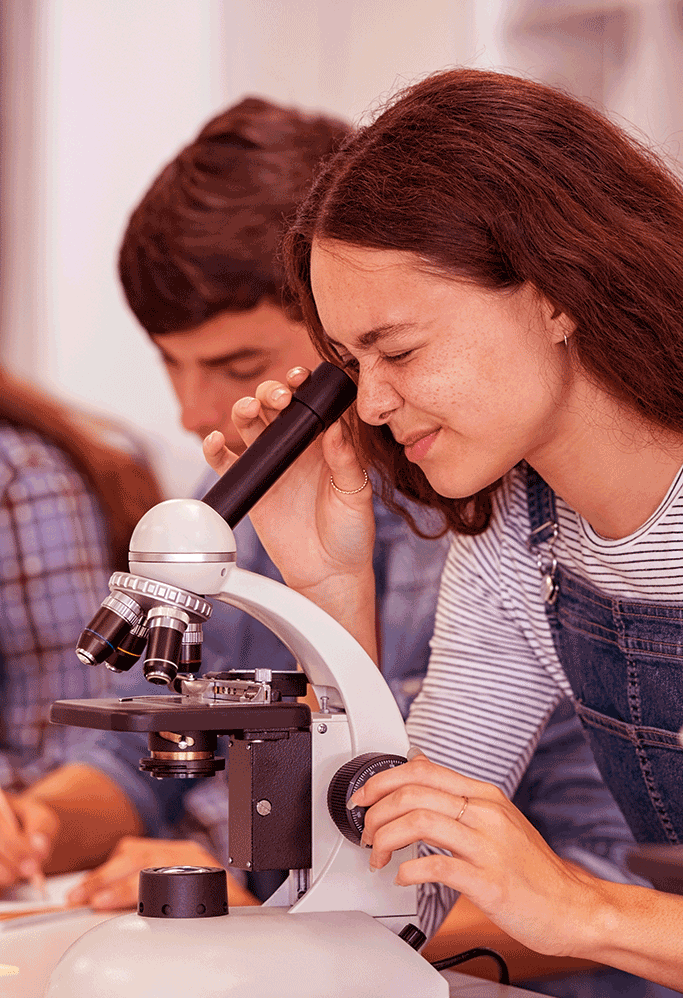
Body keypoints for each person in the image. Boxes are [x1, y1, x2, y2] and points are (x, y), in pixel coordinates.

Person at [66, 96, 668, 996]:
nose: (375, 407)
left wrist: (583, 908)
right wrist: (328, 589)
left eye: (400, 351)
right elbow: (398, 892)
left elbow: (563, 908)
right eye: (353, 365)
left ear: (553, 294)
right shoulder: (517, 542)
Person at [0, 367, 164, 888]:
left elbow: (69, 735)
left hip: (59, 854)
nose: (194, 413)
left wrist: (21, 817)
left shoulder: (18, 478)